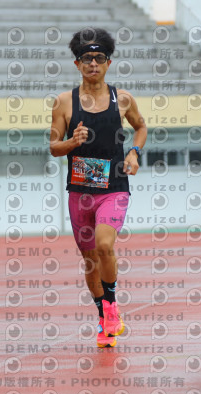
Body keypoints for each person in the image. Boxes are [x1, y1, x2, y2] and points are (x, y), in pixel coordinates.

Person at [50, 28, 147, 347]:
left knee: (105, 245)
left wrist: (134, 152)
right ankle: (104, 318)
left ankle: (112, 306)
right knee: (91, 261)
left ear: (108, 63)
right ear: (77, 64)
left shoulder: (123, 99)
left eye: (99, 58)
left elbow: (141, 127)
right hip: (80, 192)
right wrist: (71, 142)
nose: (94, 63)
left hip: (114, 187)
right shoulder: (64, 102)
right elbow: (53, 147)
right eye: (87, 58)